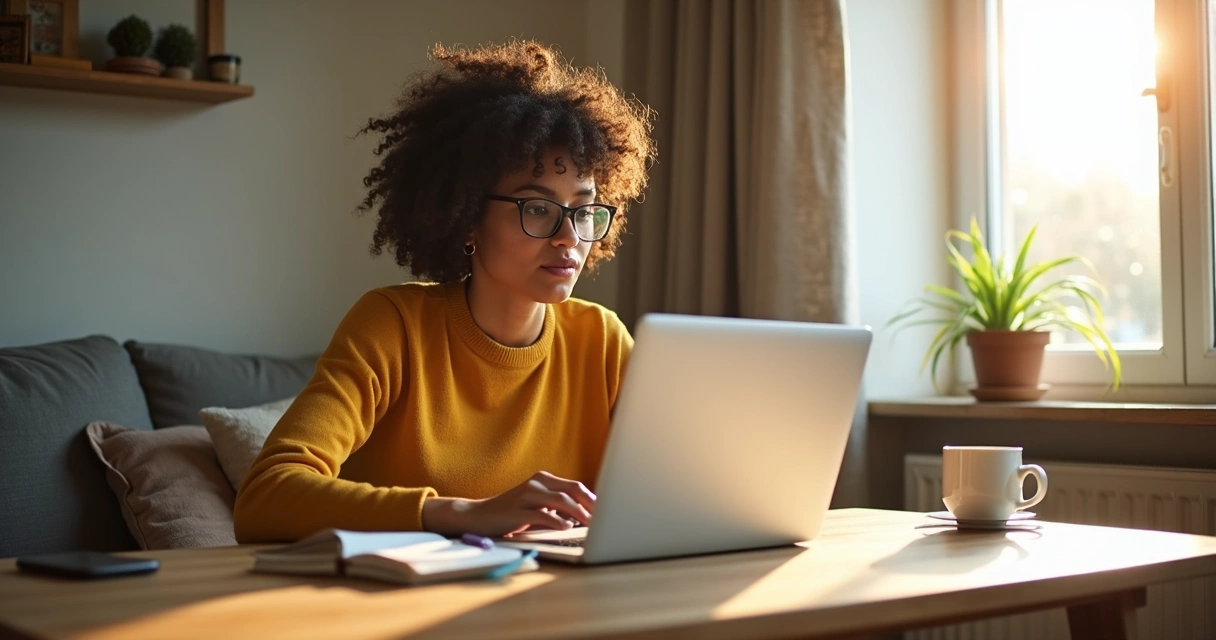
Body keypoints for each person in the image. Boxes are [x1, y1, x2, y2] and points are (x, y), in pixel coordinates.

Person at [232, 40, 655, 543]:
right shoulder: (393, 325)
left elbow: (673, 493)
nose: (570, 237)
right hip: (402, 605)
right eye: (537, 208)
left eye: (584, 211)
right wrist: (461, 513)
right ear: (468, 218)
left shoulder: (603, 340)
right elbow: (265, 498)